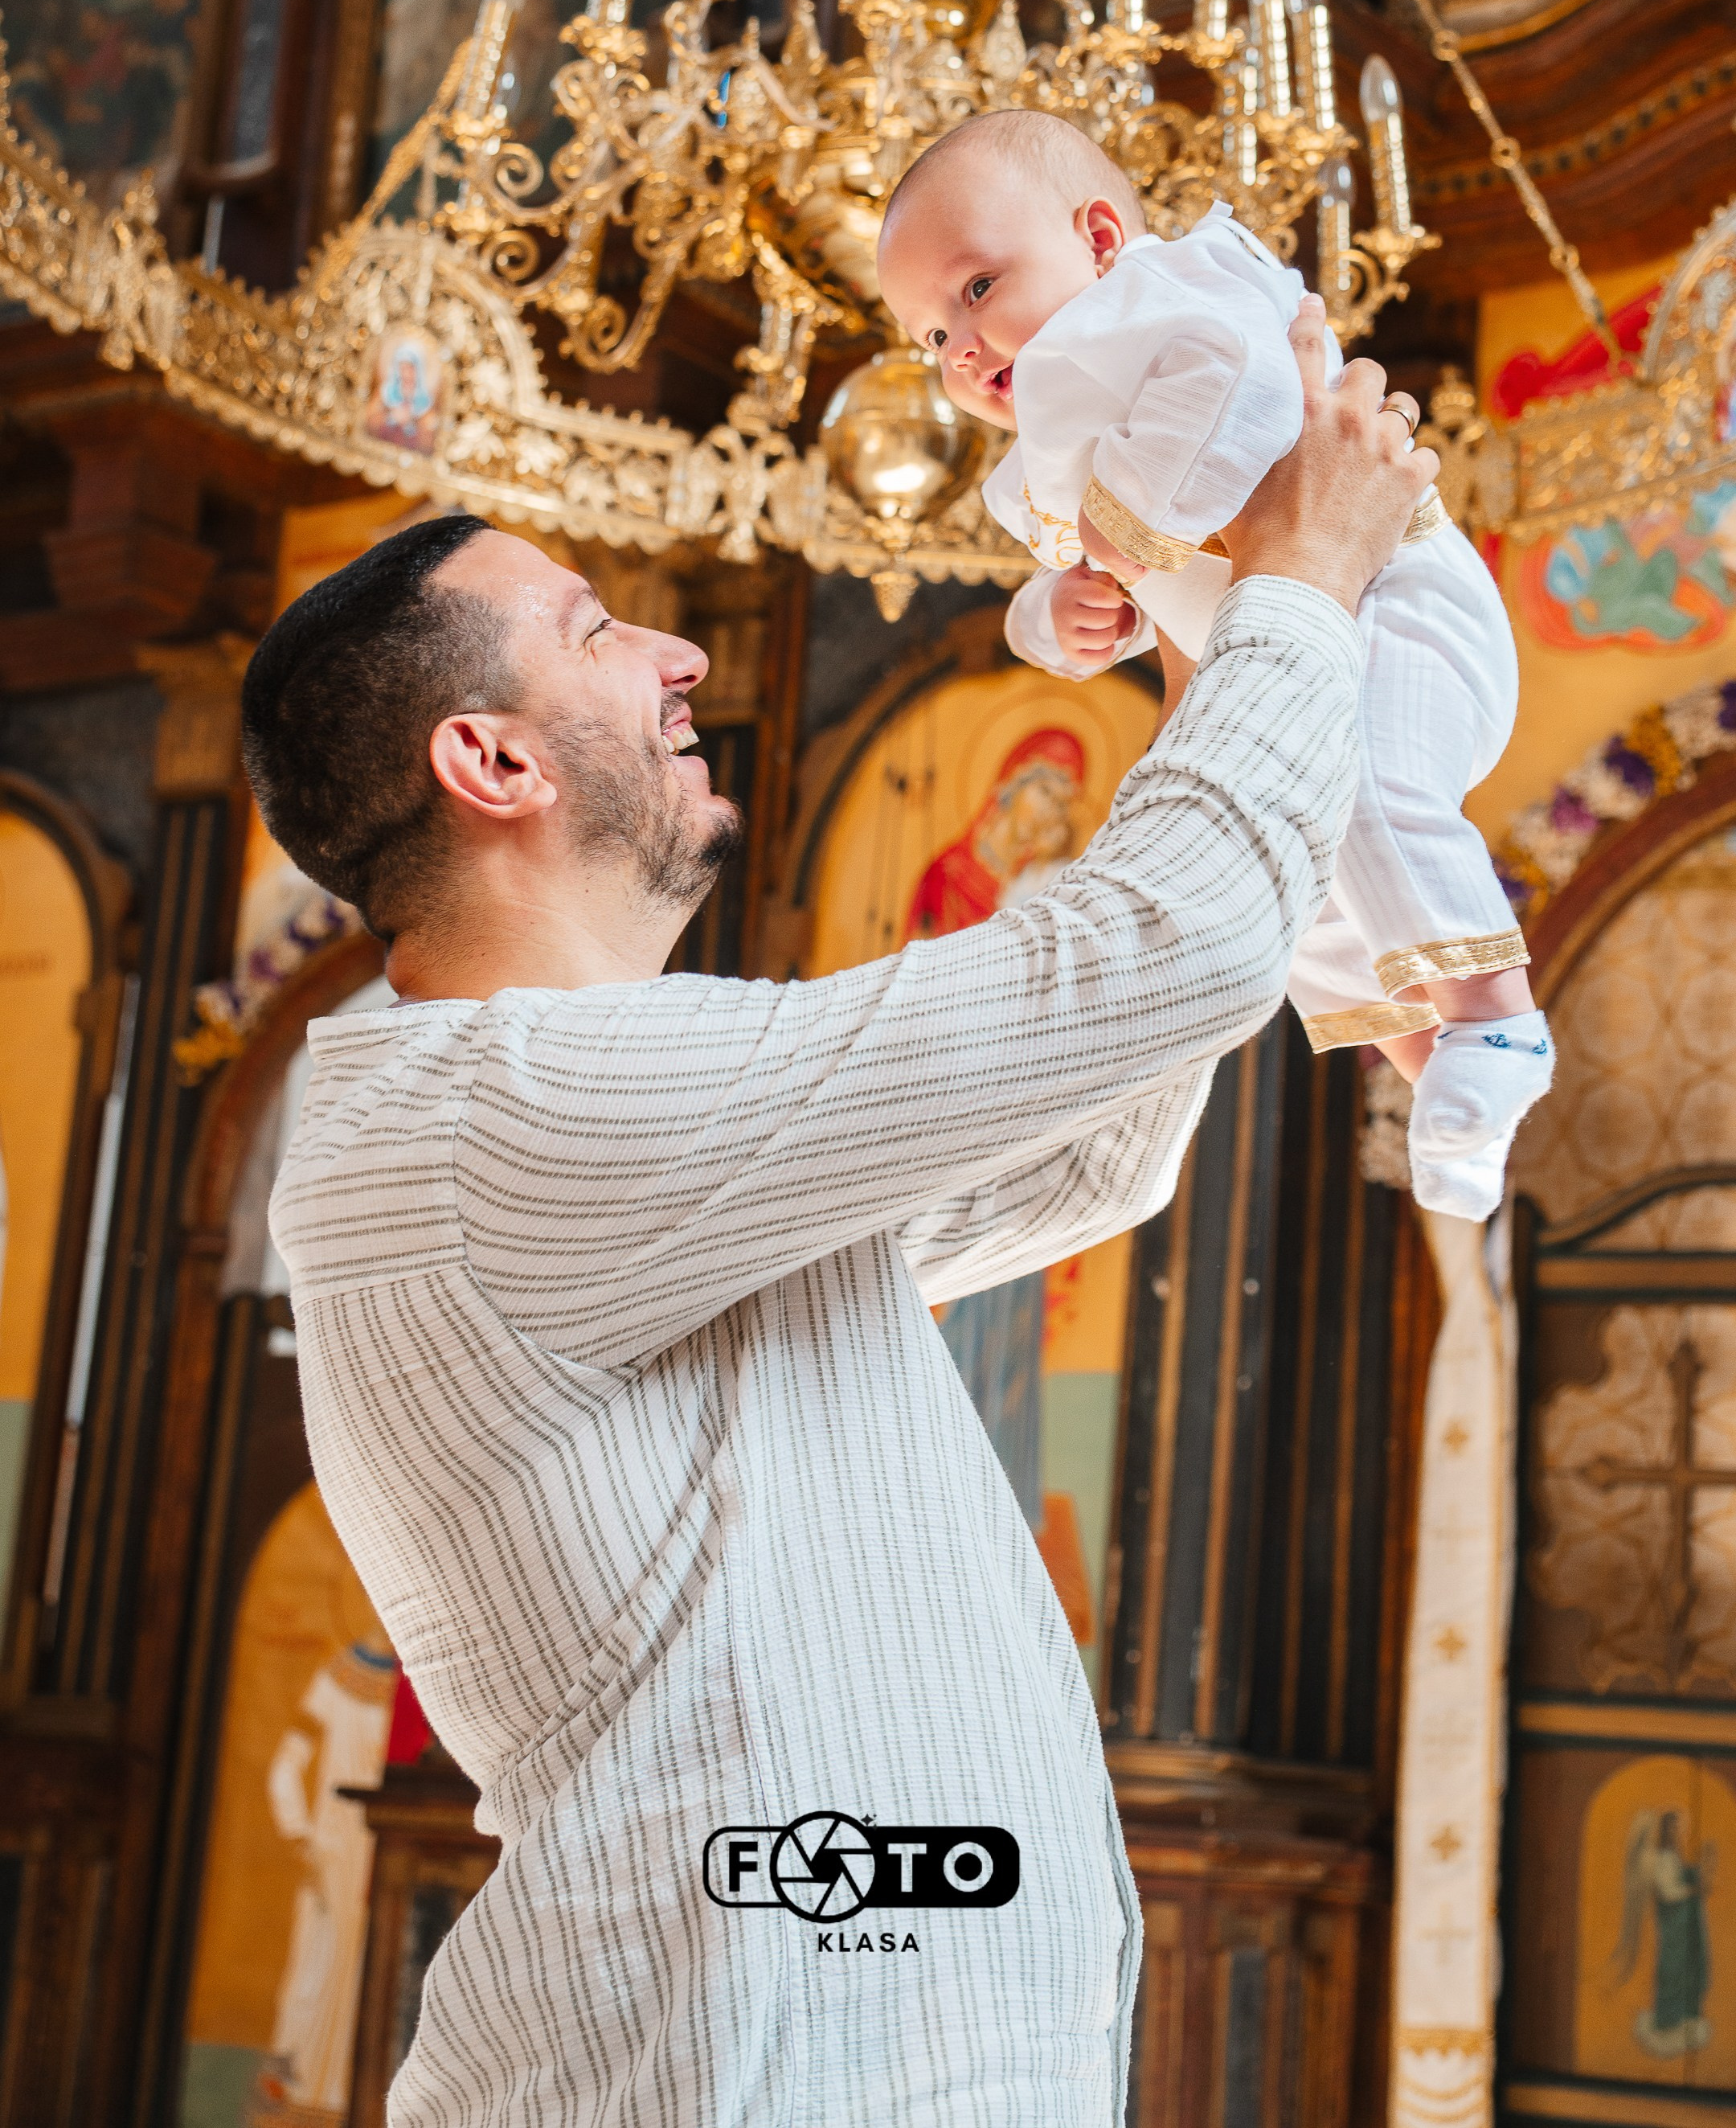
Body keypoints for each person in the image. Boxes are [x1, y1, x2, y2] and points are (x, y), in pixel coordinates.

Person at [244, 338, 1430, 2128]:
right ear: (485, 756)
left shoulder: (593, 1128)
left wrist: (1213, 643)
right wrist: (1300, 590)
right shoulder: (496, 1118)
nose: (680, 655)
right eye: (593, 630)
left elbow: (1082, 1148)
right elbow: (1143, 970)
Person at [876, 109, 1554, 1220]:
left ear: (1099, 237)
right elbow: (1102, 581)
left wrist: (1126, 530)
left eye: (979, 289)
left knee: (1368, 785)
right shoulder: (1051, 450)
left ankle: (1497, 1017)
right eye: (929, 335)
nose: (959, 345)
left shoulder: (1169, 302)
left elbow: (1235, 385)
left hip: (1397, 602)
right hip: (1296, 640)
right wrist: (1063, 612)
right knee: (1291, 887)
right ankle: (1448, 1085)